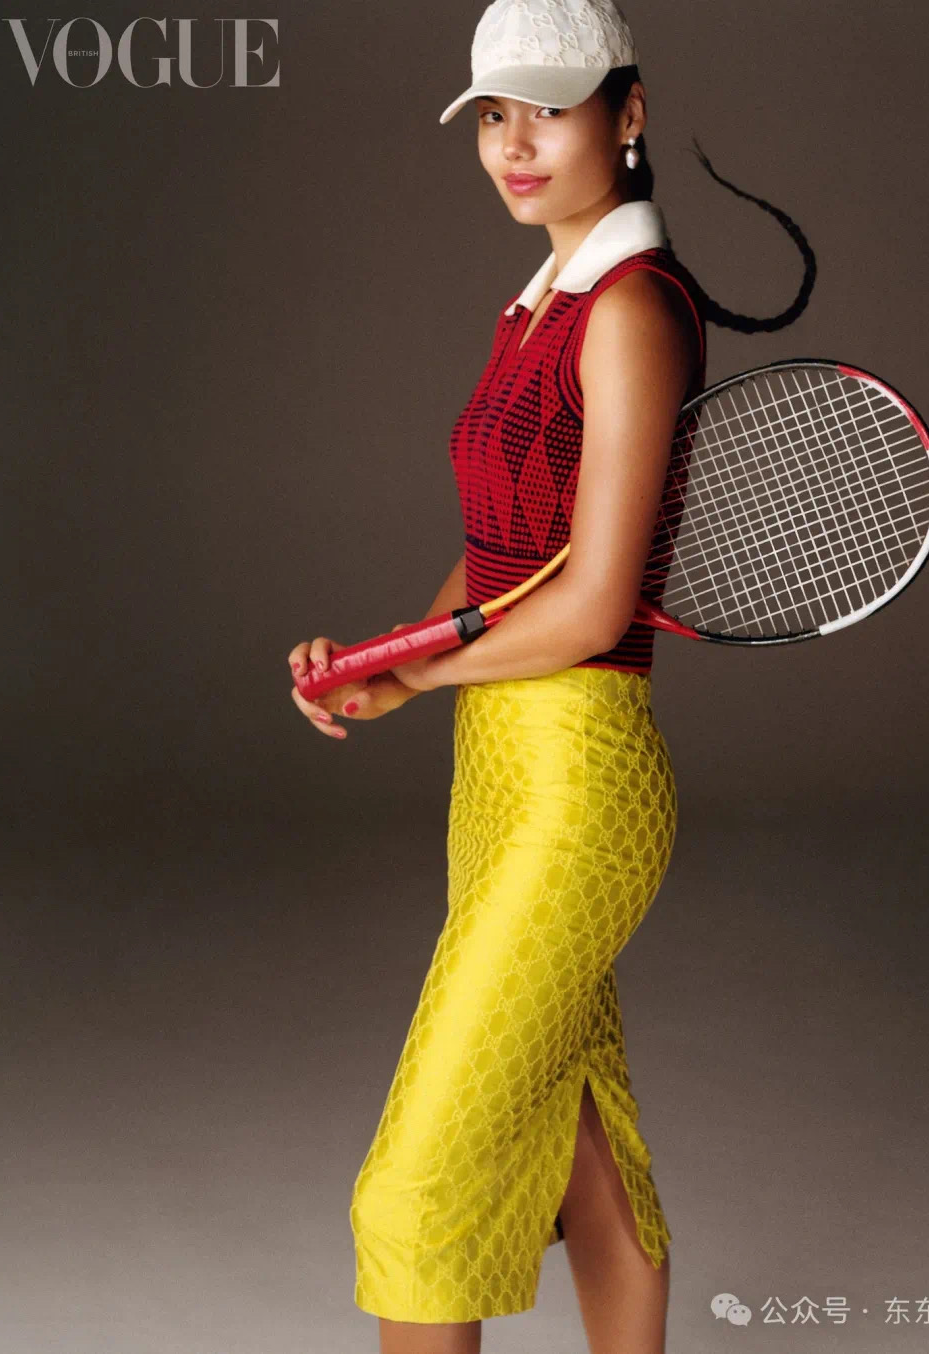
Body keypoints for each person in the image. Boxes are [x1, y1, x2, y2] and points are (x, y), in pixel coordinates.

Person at [288, 2, 814, 1349]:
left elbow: (588, 607)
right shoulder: (539, 306)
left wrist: (422, 674)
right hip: (498, 770)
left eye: (549, 110)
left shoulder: (630, 311)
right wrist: (385, 662)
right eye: (492, 116)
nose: (515, 145)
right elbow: (504, 558)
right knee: (571, 1113)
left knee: (418, 1189)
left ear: (627, 115)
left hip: (580, 780)